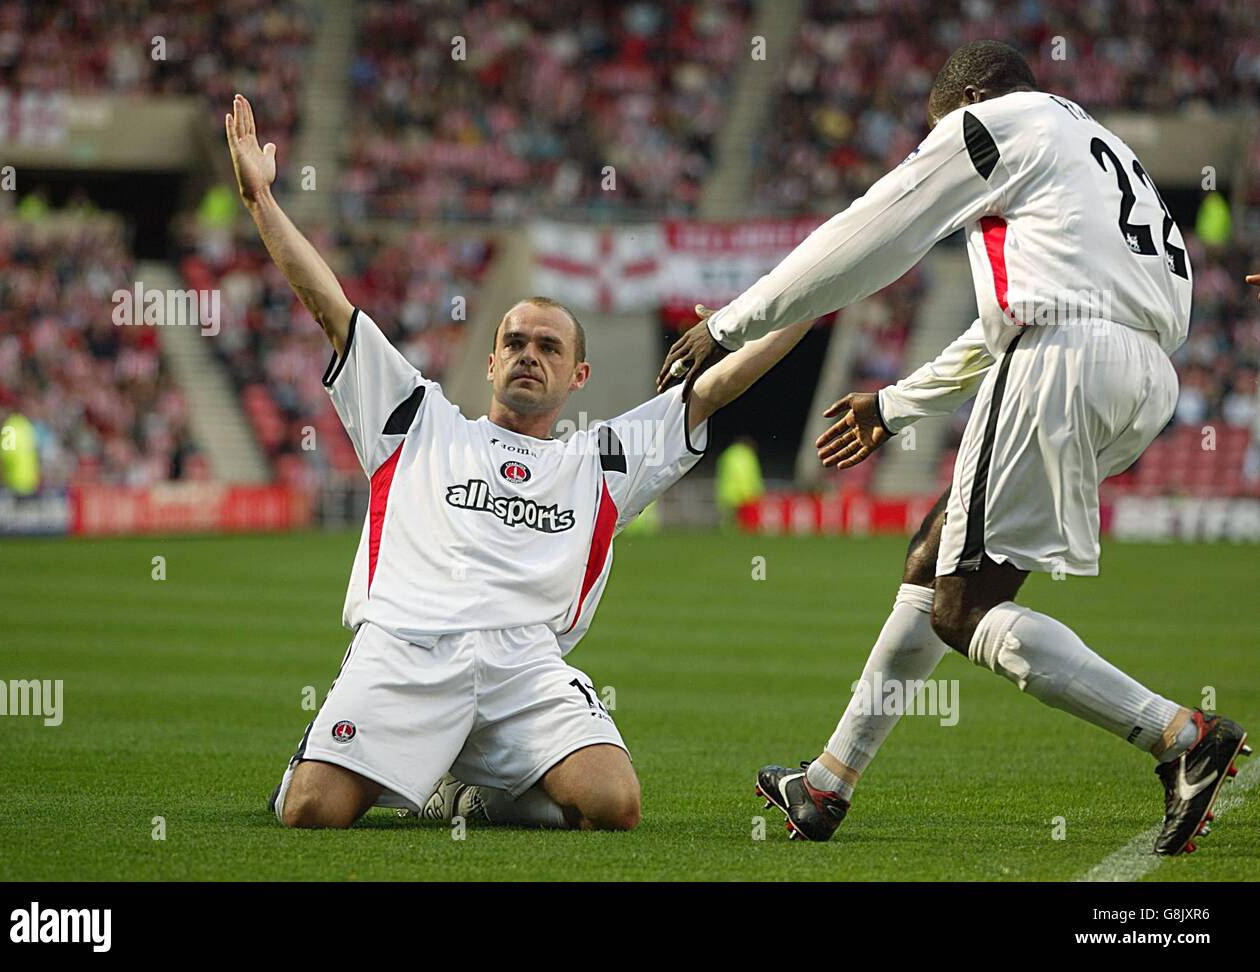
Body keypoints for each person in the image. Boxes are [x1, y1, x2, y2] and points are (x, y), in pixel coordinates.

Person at [660, 41, 1248, 856]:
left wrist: (731, 322)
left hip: (1060, 358)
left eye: (935, 127)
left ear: (969, 97)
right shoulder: (1099, 150)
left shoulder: (991, 123)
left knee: (959, 607)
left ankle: (1180, 737)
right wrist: (897, 405)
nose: (935, 143)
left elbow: (873, 227)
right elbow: (1005, 314)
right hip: (1141, 376)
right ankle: (828, 783)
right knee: (934, 555)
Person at [225, 94, 811, 831]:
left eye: (550, 347)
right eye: (518, 342)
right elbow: (329, 305)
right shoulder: (415, 417)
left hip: (524, 668)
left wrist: (814, 292)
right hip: (407, 647)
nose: (530, 354)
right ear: (494, 358)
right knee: (312, 813)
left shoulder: (601, 460)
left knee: (613, 803)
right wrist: (261, 202)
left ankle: (470, 791)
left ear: (578, 378)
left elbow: (715, 386)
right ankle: (358, 759)